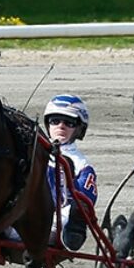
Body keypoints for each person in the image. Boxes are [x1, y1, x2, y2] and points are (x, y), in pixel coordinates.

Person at [43, 94, 98, 250]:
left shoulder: (82, 165)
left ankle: (73, 234)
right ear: (47, 124)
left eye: (69, 122)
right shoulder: (31, 152)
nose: (61, 126)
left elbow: (85, 202)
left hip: (55, 223)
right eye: (55, 121)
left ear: (79, 129)